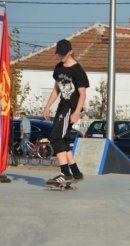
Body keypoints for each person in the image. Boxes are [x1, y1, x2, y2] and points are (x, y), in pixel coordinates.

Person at [43, 39, 88, 184]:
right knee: (63, 140)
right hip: (62, 106)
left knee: (56, 137)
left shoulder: (77, 71)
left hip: (71, 107)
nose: (61, 57)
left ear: (70, 52)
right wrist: (48, 105)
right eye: (59, 54)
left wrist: (76, 113)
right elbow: (56, 89)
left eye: (63, 54)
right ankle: (76, 173)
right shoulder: (58, 68)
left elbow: (82, 94)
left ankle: (65, 174)